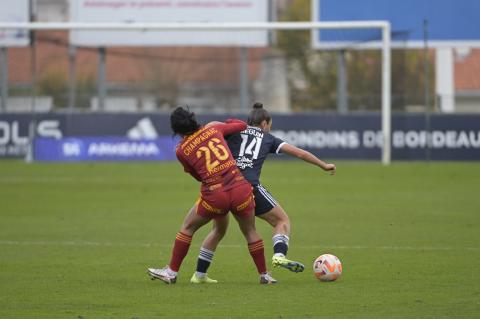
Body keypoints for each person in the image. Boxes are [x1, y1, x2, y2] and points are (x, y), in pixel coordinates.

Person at [190, 103, 336, 282]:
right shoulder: (268, 138)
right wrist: (324, 165)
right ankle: (277, 257)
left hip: (223, 186)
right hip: (246, 189)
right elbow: (300, 153)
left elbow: (211, 129)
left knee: (218, 230)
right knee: (280, 221)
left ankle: (199, 275)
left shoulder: (233, 131)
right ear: (265, 123)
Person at [147, 106, 277, 284]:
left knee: (188, 227)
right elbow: (241, 125)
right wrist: (227, 122)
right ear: (193, 118)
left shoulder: (181, 150)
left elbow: (196, 175)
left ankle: (171, 272)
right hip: (240, 188)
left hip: (215, 195)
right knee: (250, 231)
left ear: (176, 130)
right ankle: (264, 275)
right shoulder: (213, 128)